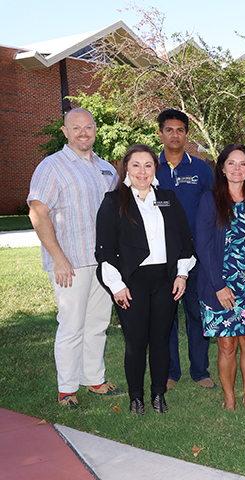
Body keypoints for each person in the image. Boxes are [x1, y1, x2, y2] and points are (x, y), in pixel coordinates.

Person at [27, 107, 125, 408]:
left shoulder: (106, 167)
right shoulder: (52, 166)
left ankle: (94, 379)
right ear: (65, 132)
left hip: (103, 261)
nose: (84, 132)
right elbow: (38, 211)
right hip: (70, 262)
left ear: (95, 130)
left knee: (97, 323)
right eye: (77, 127)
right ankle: (67, 389)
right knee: (71, 325)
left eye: (89, 127)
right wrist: (58, 257)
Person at [96, 144, 196, 414]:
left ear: (156, 168)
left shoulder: (168, 198)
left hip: (165, 279)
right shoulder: (113, 201)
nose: (142, 171)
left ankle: (159, 395)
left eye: (148, 165)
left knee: (161, 340)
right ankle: (136, 398)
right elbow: (104, 250)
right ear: (126, 168)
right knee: (136, 342)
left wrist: (182, 274)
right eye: (136, 165)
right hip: (131, 282)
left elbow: (186, 243)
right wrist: (116, 286)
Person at [195, 144, 245, 411]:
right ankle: (229, 398)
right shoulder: (210, 201)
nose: (237, 168)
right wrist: (219, 285)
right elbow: (203, 246)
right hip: (220, 285)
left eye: (243, 164)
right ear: (222, 168)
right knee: (227, 344)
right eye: (232, 163)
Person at [156, 109, 216, 391]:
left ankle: (200, 370)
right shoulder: (149, 168)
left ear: (187, 134)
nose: (175, 135)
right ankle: (170, 371)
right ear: (160, 133)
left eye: (180, 130)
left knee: (197, 314)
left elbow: (216, 209)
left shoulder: (201, 169)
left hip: (197, 256)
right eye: (169, 129)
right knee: (167, 316)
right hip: (161, 257)